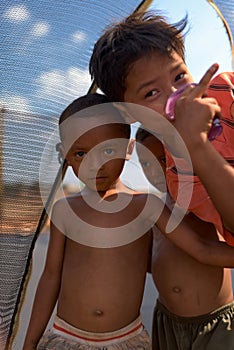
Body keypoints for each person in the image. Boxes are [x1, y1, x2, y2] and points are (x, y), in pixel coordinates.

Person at [23, 93, 234, 350]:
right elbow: (50, 278)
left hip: (128, 341)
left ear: (129, 149)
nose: (95, 165)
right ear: (65, 156)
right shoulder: (65, 210)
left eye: (108, 150)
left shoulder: (146, 206)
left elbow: (201, 249)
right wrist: (30, 342)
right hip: (67, 338)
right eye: (80, 153)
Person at [89, 11, 234, 244]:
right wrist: (196, 146)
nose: (175, 95)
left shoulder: (228, 88)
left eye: (179, 76)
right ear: (129, 113)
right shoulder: (180, 179)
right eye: (151, 93)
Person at [135, 126, 234, 349]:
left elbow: (206, 249)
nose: (157, 169)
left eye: (163, 158)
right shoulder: (157, 208)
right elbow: (155, 258)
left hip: (212, 322)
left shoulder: (202, 199)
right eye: (147, 163)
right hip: (168, 319)